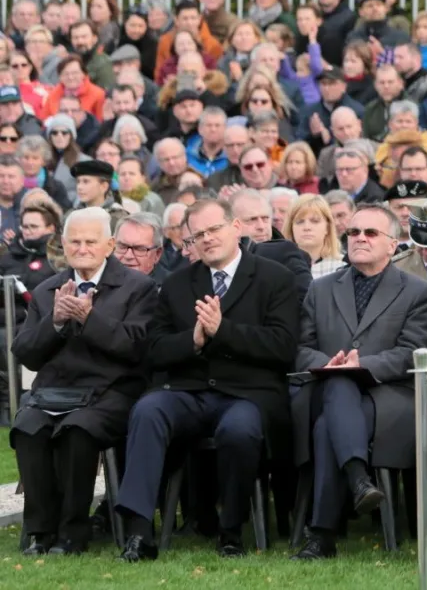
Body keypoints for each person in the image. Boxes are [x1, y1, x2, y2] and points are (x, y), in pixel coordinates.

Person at [116, 198, 299, 561]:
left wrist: (222, 331)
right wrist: (194, 340)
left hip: (249, 394)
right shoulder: (176, 284)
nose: (207, 239)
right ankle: (139, 532)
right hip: (188, 392)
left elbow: (283, 347)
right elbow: (153, 349)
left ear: (236, 228)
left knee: (239, 430)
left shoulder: (275, 279)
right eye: (198, 234)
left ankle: (230, 531)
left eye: (214, 229)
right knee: (148, 410)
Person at [289, 203, 427, 561]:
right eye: (353, 232)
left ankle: (322, 534)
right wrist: (329, 363)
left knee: (329, 424)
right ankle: (358, 481)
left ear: (393, 243)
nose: (359, 239)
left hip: (389, 396)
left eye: (370, 233)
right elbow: (299, 347)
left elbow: (415, 352)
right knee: (338, 387)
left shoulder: (418, 292)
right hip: (327, 388)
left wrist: (362, 364)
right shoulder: (320, 289)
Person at [9, 208, 158, 556]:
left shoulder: (139, 288)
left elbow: (137, 349)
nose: (82, 248)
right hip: (52, 393)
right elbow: (25, 352)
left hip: (112, 392)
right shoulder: (48, 289)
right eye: (74, 241)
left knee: (78, 428)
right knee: (28, 426)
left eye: (91, 241)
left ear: (108, 245)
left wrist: (90, 319)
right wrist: (56, 322)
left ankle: (72, 534)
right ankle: (40, 533)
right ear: (63, 244)